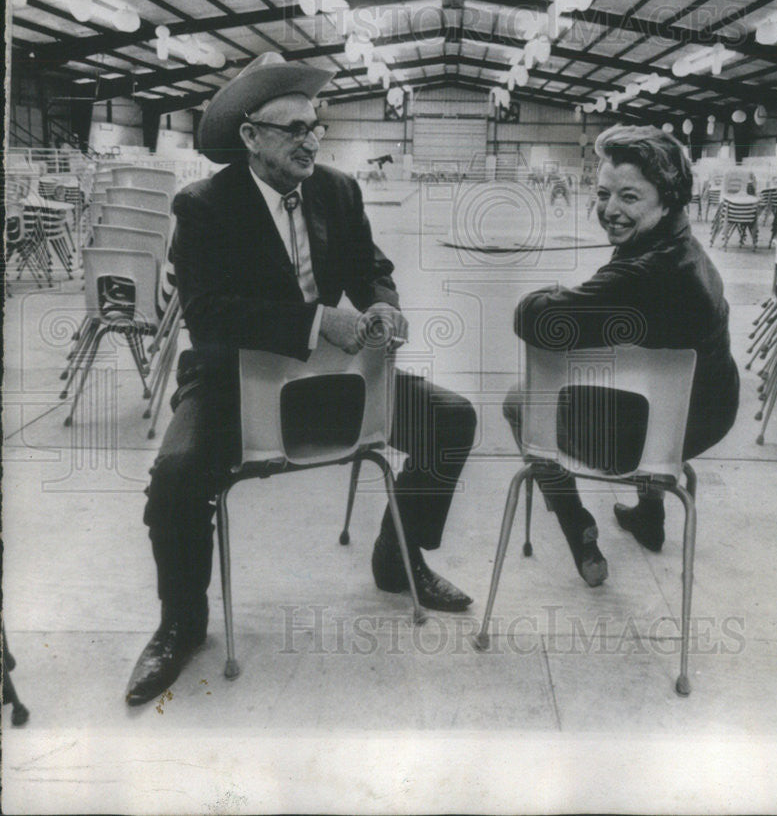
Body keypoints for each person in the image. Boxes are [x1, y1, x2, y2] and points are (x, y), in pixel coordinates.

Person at [126, 53, 477, 707]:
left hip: (325, 377)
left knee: (451, 419)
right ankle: (180, 624)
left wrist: (381, 300)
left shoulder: (336, 191)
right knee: (175, 479)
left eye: (316, 125)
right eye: (292, 128)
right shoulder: (202, 207)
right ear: (250, 136)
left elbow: (371, 264)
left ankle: (397, 560)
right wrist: (316, 321)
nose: (310, 139)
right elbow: (208, 317)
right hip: (232, 381)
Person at [505, 124, 739, 585]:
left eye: (629, 197)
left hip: (634, 440)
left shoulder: (640, 275)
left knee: (519, 400)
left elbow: (533, 319)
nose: (610, 210)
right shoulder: (687, 252)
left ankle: (577, 528)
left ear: (667, 197)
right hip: (702, 421)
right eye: (603, 194)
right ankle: (649, 516)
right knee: (640, 382)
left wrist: (552, 294)